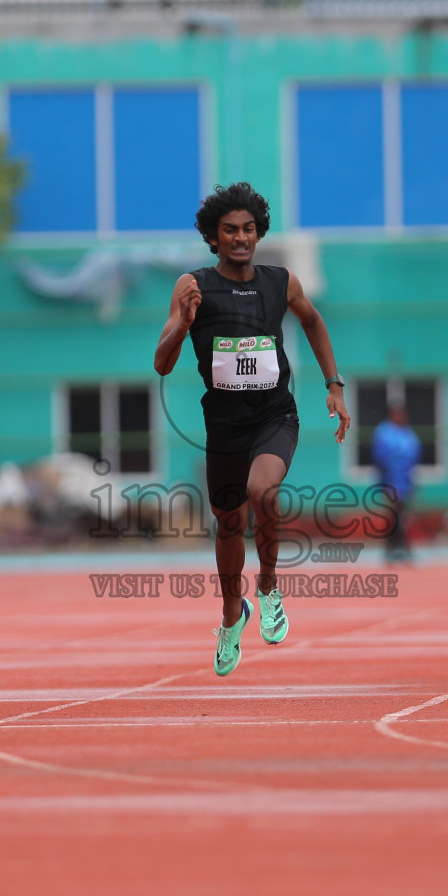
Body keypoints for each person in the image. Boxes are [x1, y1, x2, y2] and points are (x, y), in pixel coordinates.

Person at [154, 182, 350, 677]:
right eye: (229, 231)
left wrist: (334, 383)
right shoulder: (192, 285)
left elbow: (314, 323)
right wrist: (184, 322)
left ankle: (267, 587)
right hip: (223, 423)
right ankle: (229, 614)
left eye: (248, 230)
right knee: (227, 524)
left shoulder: (281, 282)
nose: (240, 238)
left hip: (274, 416)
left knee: (262, 490)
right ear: (212, 237)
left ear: (258, 233)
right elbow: (161, 362)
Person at [370, 403, 420, 562]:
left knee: (403, 516)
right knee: (394, 515)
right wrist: (388, 482)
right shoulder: (384, 433)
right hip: (390, 481)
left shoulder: (408, 432)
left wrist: (410, 482)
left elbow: (413, 457)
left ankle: (401, 547)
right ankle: (393, 548)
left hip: (405, 481)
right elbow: (381, 458)